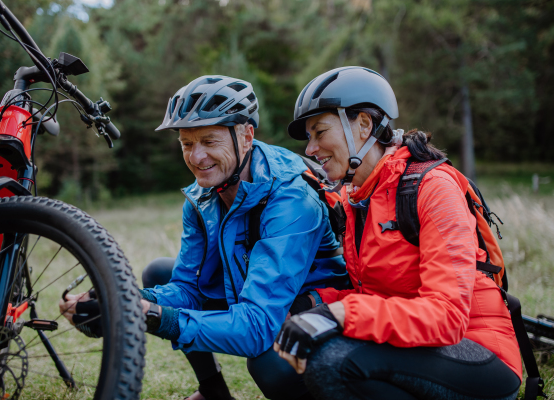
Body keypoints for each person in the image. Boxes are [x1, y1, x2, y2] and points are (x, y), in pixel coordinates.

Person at [60, 75, 348, 400]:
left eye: (209, 142)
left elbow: (257, 326)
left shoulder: (290, 197)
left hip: (309, 305)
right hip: (251, 292)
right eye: (187, 143)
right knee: (159, 273)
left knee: (270, 359)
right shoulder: (204, 194)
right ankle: (214, 393)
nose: (196, 158)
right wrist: (116, 301)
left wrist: (152, 315)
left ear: (246, 136)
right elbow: (188, 288)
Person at [274, 66, 522, 400]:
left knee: (334, 361)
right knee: (287, 351)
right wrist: (313, 304)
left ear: (363, 125)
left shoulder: (433, 188)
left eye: (319, 132)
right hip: (418, 347)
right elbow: (379, 296)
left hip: (477, 352)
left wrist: (339, 314)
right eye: (309, 138)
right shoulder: (354, 197)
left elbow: (446, 318)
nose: (311, 149)